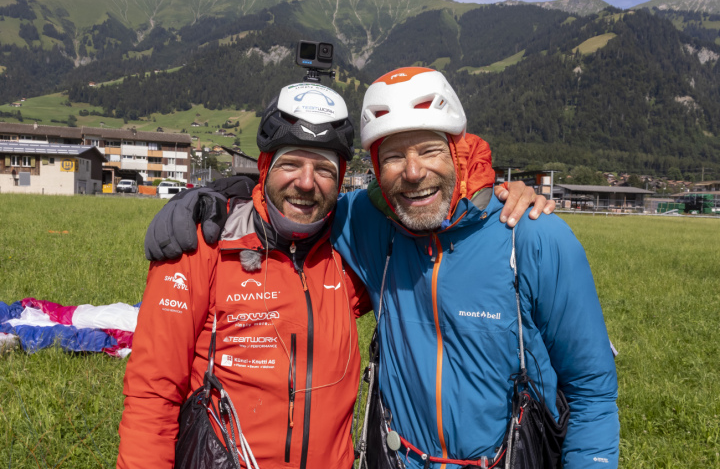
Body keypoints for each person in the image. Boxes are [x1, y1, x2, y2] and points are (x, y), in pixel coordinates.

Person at [119, 80, 551, 469]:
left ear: (341, 179)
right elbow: (152, 395)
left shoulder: (351, 256)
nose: (307, 183)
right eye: (291, 164)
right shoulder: (204, 245)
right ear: (265, 166)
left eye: (324, 169)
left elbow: (430, 218)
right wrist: (211, 193)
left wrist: (497, 194)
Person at [331, 67, 620, 468]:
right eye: (394, 156)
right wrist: (228, 194)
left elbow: (591, 390)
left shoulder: (533, 236)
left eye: (429, 150)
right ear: (378, 169)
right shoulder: (369, 222)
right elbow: (296, 200)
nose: (413, 173)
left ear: (458, 152)